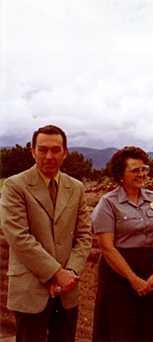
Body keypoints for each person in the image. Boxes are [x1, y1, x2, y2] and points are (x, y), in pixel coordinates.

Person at [0, 125, 92, 342]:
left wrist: (70, 272)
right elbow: (18, 236)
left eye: (55, 149)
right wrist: (56, 274)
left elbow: (85, 236)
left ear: (65, 152)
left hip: (67, 292)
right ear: (32, 151)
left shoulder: (76, 188)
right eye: (42, 150)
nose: (49, 156)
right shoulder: (15, 186)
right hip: (30, 289)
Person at [91, 146, 153, 342]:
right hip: (119, 275)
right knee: (121, 332)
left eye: (144, 169)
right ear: (120, 174)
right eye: (135, 170)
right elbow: (107, 247)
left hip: (150, 272)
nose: (142, 174)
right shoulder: (108, 203)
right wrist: (133, 279)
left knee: (151, 332)